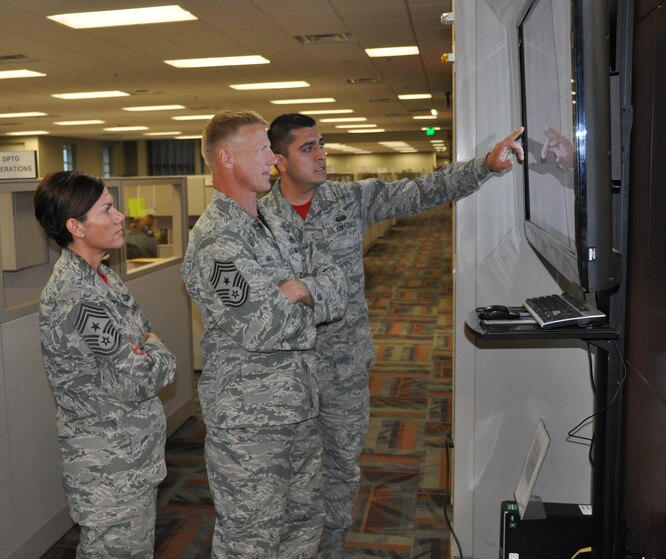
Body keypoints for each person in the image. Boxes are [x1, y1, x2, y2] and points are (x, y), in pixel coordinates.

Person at [263, 113, 525, 557]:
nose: (322, 154)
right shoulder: (256, 220)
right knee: (286, 481)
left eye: (321, 143)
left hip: (343, 369)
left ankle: (333, 551)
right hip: (282, 377)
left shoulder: (348, 200)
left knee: (341, 473)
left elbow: (422, 191)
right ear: (278, 161)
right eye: (307, 148)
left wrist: (484, 165)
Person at [180, 110, 349, 558]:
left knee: (302, 528)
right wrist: (302, 296)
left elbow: (339, 285)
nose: (274, 160)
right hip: (250, 426)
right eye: (260, 150)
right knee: (250, 543)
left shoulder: (270, 221)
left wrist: (300, 290)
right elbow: (265, 325)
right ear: (225, 158)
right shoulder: (217, 240)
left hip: (298, 407)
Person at [34, 171, 176, 558]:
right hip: (109, 468)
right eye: (108, 209)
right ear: (75, 227)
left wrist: (148, 346)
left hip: (130, 456)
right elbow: (139, 377)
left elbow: (142, 334)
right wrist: (161, 352)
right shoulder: (77, 296)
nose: (120, 218)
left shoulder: (103, 276)